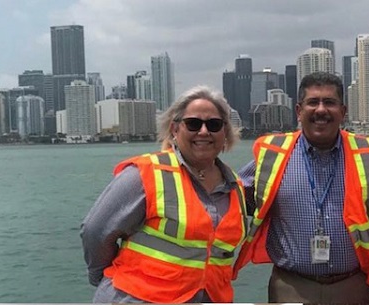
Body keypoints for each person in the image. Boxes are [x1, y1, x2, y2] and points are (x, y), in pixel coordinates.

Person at [232, 71, 369, 304]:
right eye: (313, 102)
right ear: (299, 111)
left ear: (343, 111)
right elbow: (230, 198)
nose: (321, 110)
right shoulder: (272, 154)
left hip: (352, 285)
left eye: (329, 102)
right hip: (290, 287)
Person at [80, 85, 248, 303]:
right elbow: (96, 231)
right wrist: (101, 276)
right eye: (193, 123)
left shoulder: (236, 187)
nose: (204, 132)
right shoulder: (144, 174)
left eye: (214, 125)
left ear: (225, 132)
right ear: (175, 129)